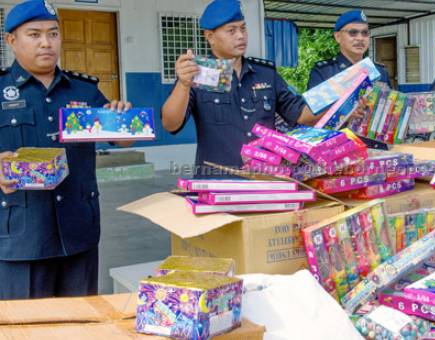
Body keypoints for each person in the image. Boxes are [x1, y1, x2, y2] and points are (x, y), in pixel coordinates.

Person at [0, 0, 133, 299]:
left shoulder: (83, 90)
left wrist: (123, 120)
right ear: (12, 40)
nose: (46, 43)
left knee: (81, 323)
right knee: (26, 328)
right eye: (34, 34)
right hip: (22, 238)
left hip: (78, 231)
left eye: (53, 34)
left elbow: (123, 140)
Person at [162, 0, 318, 178]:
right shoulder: (197, 74)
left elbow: (301, 114)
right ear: (210, 36)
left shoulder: (265, 73)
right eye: (231, 30)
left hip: (266, 183)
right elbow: (170, 124)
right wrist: (183, 84)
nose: (240, 36)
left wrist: (343, 102)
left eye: (243, 28)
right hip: (217, 186)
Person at [307, 9, 392, 90]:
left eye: (365, 33)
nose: (360, 38)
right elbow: (314, 104)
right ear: (338, 37)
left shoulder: (379, 72)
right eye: (353, 32)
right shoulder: (323, 72)